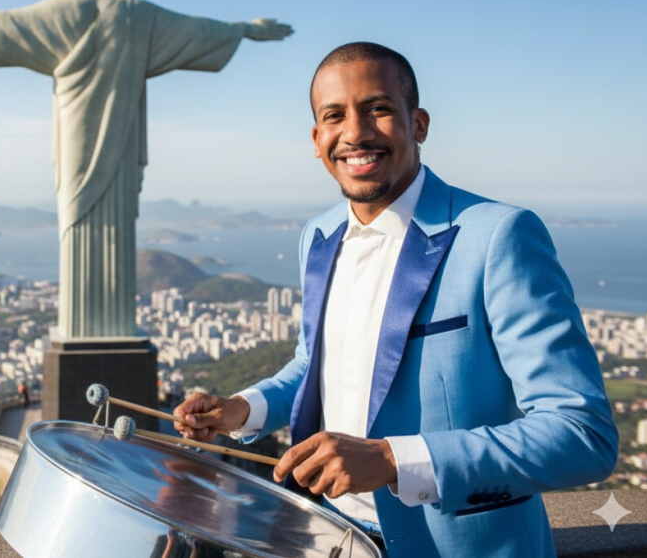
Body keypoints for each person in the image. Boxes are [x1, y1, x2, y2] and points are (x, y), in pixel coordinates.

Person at [174, 42, 617, 557]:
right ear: (317, 140)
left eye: (378, 109)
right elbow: (315, 365)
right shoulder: (318, 236)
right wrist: (242, 409)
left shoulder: (498, 235)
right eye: (334, 116)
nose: (356, 133)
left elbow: (582, 434)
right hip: (331, 538)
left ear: (419, 124)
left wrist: (393, 459)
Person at [0, 0, 291, 339]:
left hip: (74, 138)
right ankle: (107, 323)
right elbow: (195, 29)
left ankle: (86, 325)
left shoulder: (62, 11)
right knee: (112, 220)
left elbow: (8, 24)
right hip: (121, 138)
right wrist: (243, 29)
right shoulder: (138, 15)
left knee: (77, 216)